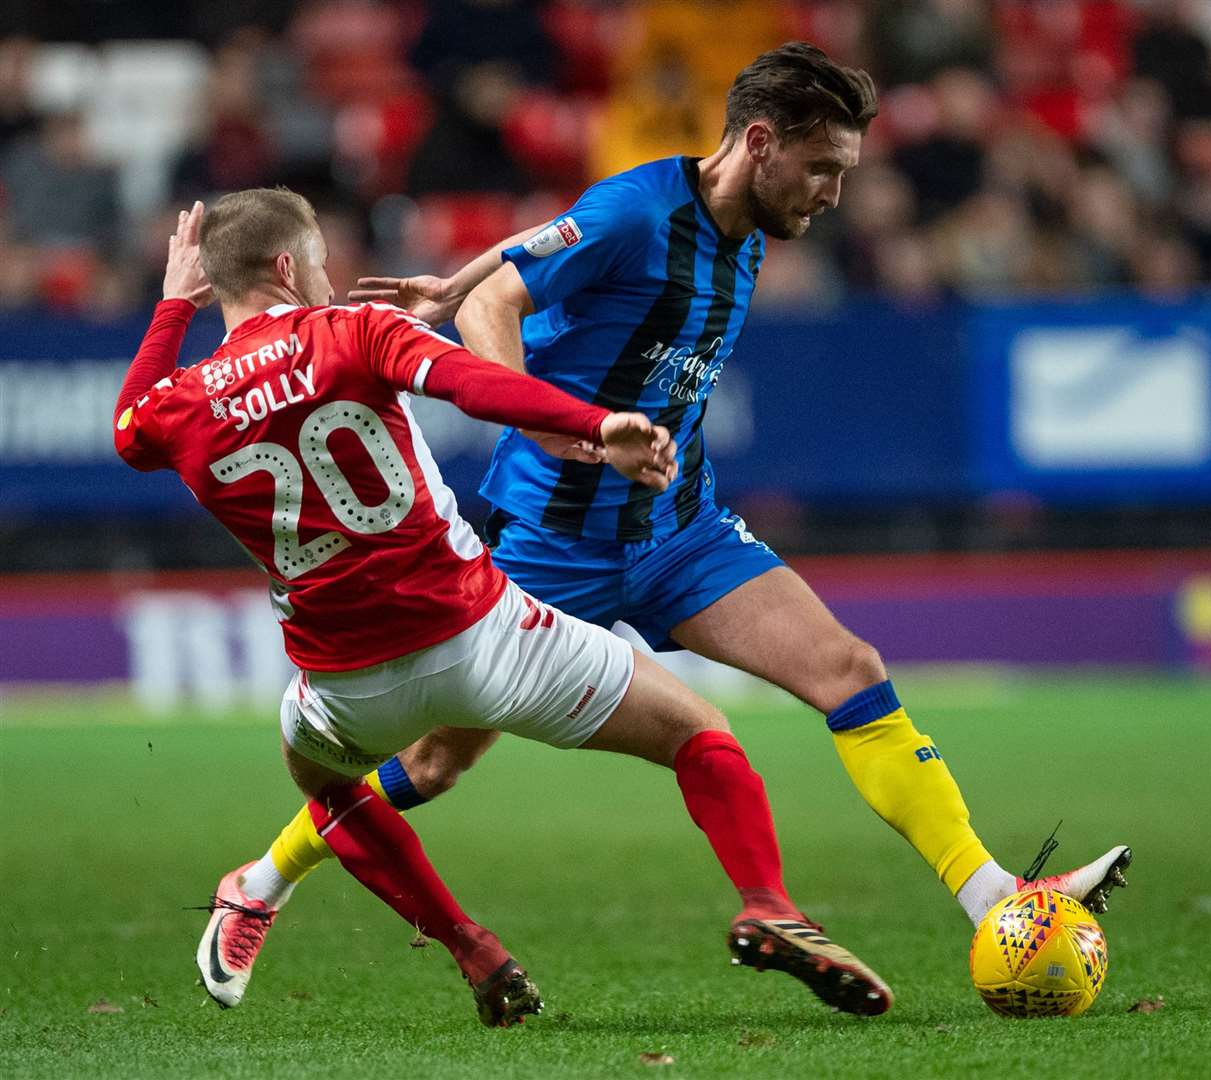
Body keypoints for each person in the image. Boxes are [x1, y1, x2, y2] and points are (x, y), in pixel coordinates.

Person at [194, 42, 1130, 1007]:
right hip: (552, 543)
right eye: (823, 169)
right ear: (760, 143)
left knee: (849, 670)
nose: (834, 194)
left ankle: (995, 902)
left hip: (680, 531)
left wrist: (456, 275)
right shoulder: (639, 211)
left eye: (844, 173)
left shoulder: (753, 229)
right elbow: (498, 309)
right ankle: (259, 882)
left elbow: (523, 255)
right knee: (434, 762)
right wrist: (551, 423)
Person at [116, 190, 891, 1026]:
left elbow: (126, 428)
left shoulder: (178, 404)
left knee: (326, 784)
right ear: (285, 268)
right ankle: (765, 901)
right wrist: (599, 426)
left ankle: (471, 948)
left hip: (346, 685)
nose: (329, 277)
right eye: (321, 263)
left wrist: (170, 305)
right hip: (486, 641)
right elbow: (479, 386)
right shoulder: (355, 333)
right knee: (700, 735)